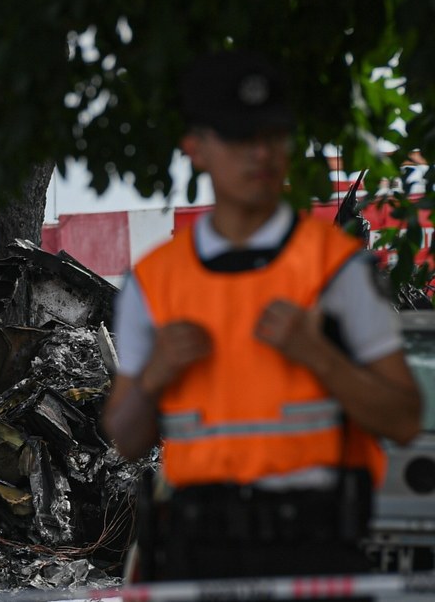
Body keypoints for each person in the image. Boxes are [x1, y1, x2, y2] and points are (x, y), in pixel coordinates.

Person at [101, 50, 421, 586]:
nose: (259, 154)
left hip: (315, 558)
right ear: (197, 149)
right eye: (238, 137)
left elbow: (404, 418)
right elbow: (127, 439)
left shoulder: (339, 273)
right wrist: (157, 374)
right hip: (198, 559)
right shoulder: (155, 283)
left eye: (272, 136)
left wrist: (321, 356)